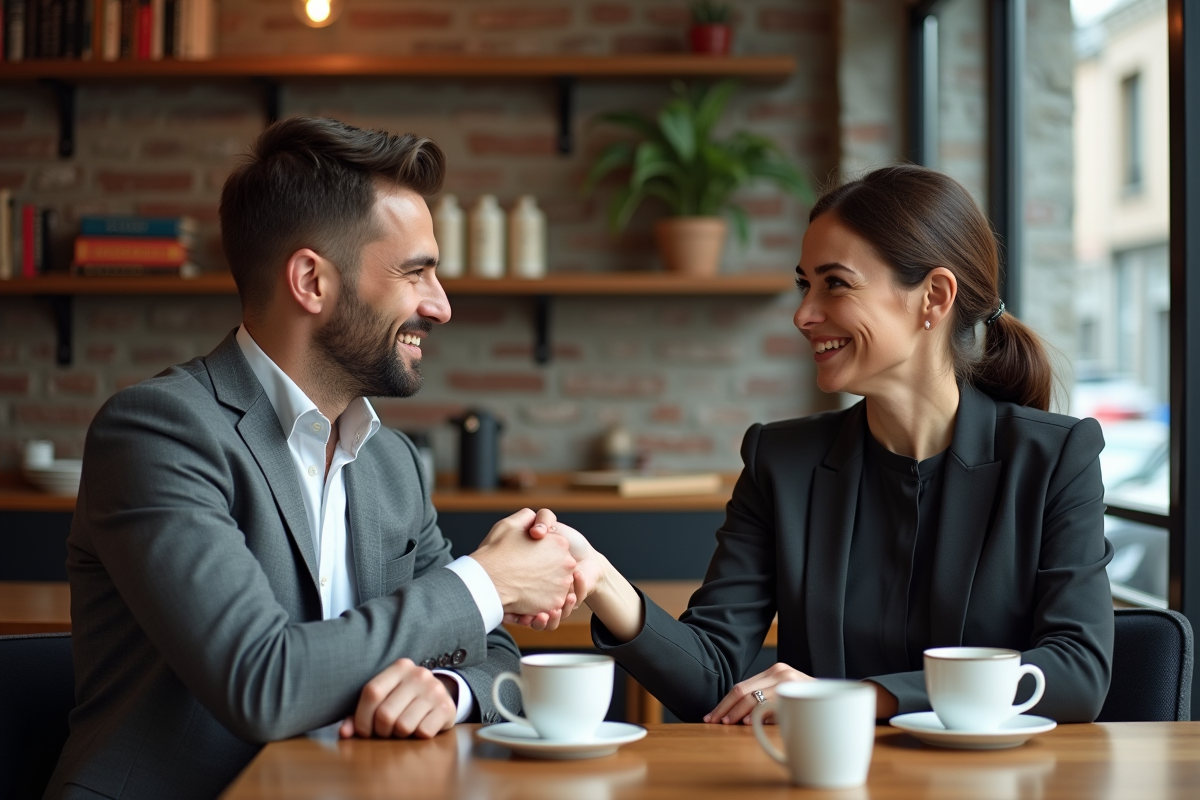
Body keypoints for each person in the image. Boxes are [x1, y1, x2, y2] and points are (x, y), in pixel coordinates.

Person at [46, 117, 579, 800]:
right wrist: (487, 582)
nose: (440, 306)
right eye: (415, 272)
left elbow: (496, 659)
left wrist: (448, 690)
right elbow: (261, 681)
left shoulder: (392, 462)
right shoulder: (158, 433)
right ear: (310, 281)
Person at [530, 165, 1115, 726]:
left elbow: (1077, 671)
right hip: (822, 775)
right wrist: (599, 579)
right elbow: (710, 677)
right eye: (804, 285)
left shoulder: (1055, 458)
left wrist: (860, 697)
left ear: (934, 297)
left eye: (835, 283)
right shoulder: (781, 462)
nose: (804, 314)